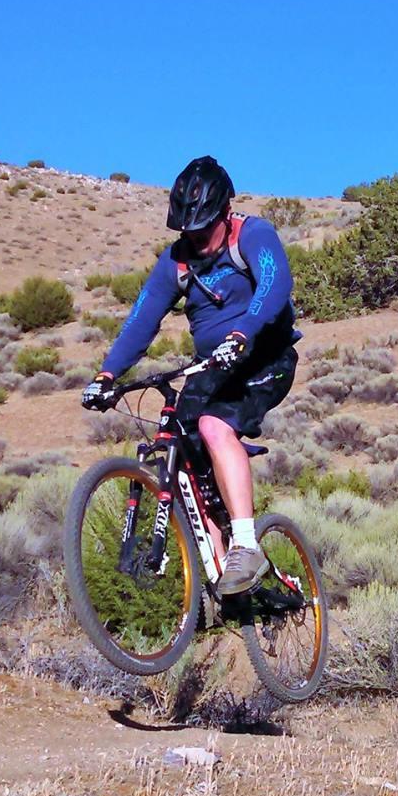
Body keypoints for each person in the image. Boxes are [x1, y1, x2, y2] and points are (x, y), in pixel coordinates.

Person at [80, 155, 298, 595]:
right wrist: (106, 375)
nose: (194, 238)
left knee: (216, 426)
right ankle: (220, 577)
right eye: (186, 230)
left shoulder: (251, 235)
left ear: (224, 212)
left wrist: (243, 332)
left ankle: (246, 545)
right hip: (215, 366)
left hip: (265, 359)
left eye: (202, 228)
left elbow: (276, 283)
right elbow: (141, 320)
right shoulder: (176, 262)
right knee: (179, 446)